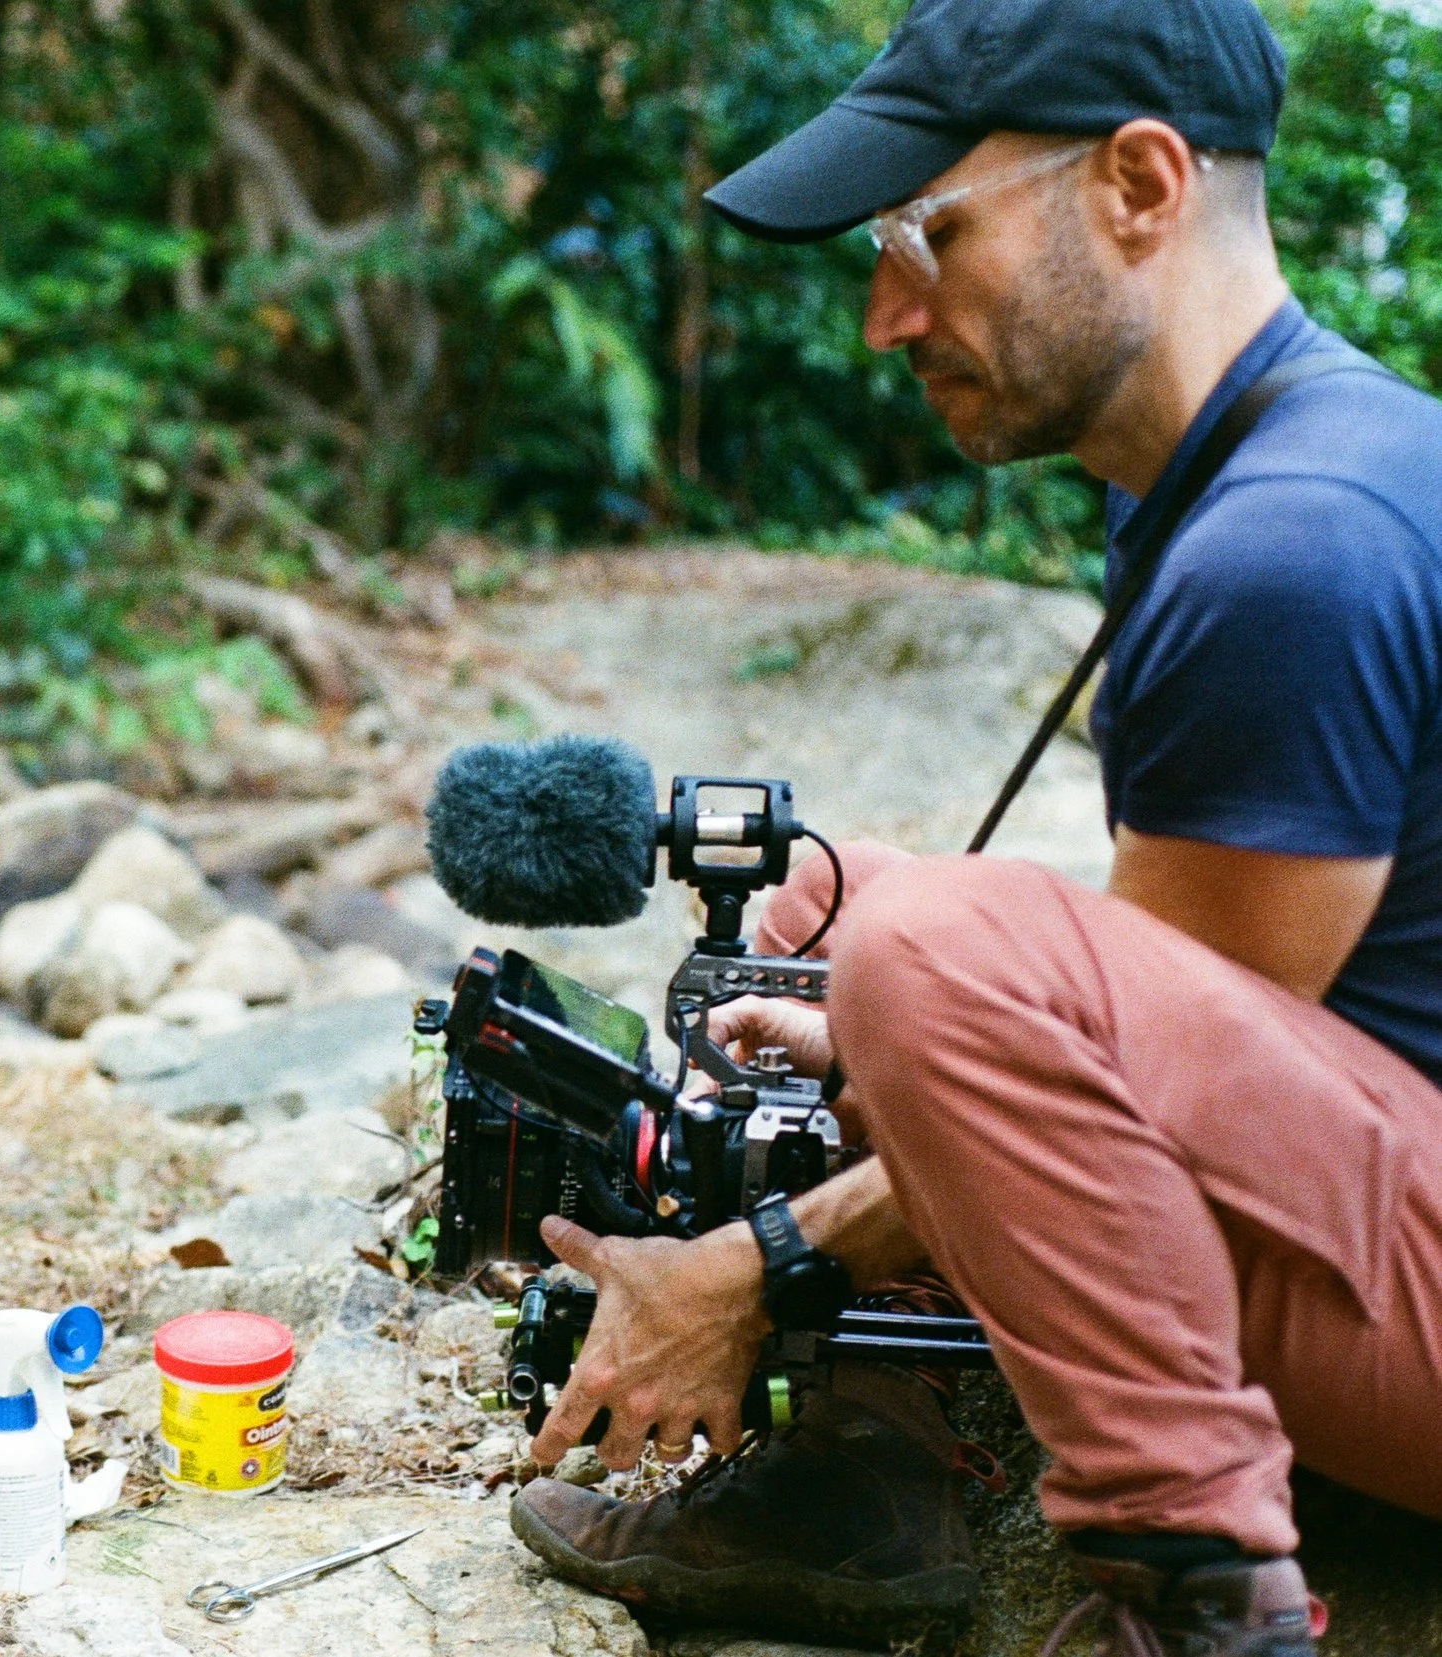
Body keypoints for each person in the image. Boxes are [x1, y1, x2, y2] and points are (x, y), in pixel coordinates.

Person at [505, 0, 1442, 1652]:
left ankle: (1204, 1616)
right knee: (888, 920)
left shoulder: (1294, 545)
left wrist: (762, 1261)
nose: (884, 315)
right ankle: (879, 1488)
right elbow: (1210, 1003)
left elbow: (1149, 1097)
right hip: (1389, 1191)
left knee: (942, 954)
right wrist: (879, 917)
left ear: (1141, 186)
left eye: (928, 234)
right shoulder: (1256, 471)